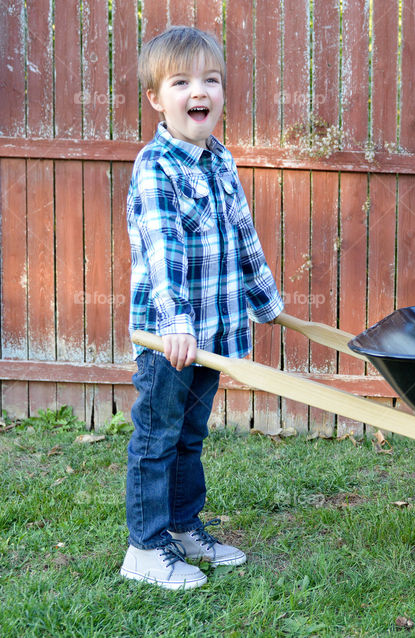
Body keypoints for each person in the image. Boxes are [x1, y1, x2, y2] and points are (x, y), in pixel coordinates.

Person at [121, 26, 284, 590]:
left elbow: (243, 237)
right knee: (157, 436)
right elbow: (161, 255)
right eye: (183, 81)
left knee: (191, 437)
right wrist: (176, 326)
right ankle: (144, 547)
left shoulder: (220, 160)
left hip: (212, 336)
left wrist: (269, 304)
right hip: (170, 339)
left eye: (210, 81)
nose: (201, 91)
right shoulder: (155, 166)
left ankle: (184, 528)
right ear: (156, 100)